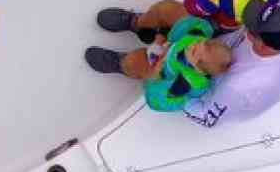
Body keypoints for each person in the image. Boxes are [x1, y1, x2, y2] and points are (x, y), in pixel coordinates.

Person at [91, 0, 280, 128]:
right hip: (203, 43)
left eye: (250, 25)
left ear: (262, 44)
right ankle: (139, 24)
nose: (246, 19)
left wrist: (162, 72)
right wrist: (197, 38)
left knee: (137, 61)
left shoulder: (240, 88)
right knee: (169, 8)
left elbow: (206, 117)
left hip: (195, 72)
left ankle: (121, 64)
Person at [85, 8, 232, 111]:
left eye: (193, 52)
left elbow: (157, 101)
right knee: (166, 7)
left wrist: (155, 73)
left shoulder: (185, 83)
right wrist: (164, 37)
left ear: (198, 69)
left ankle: (121, 63)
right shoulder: (199, 35)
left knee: (132, 62)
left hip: (160, 68)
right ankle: (138, 23)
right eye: (201, 43)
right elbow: (194, 24)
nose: (194, 45)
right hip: (168, 45)